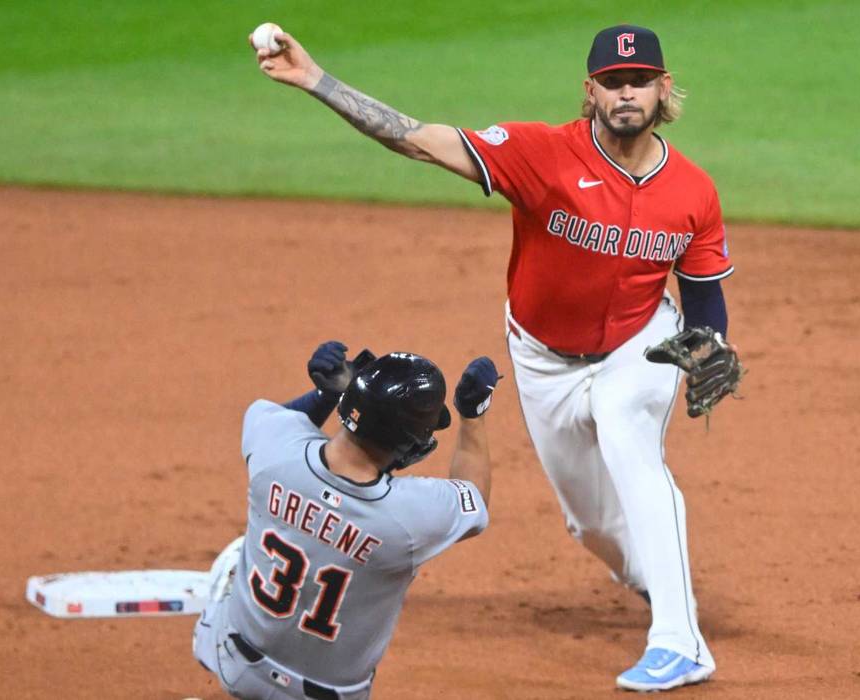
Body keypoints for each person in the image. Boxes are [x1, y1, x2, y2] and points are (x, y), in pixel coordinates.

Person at [253, 23, 736, 692]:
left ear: (662, 89)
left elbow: (704, 292)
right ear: (589, 91)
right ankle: (651, 578)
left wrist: (710, 343)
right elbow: (416, 139)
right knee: (589, 523)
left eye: (640, 80)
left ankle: (680, 643)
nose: (627, 92)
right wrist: (315, 80)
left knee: (632, 445)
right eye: (613, 81)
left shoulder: (692, 190)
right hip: (542, 359)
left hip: (637, 345)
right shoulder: (540, 153)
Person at [193, 341, 500, 699]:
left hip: (239, 668)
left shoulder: (275, 451)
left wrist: (325, 394)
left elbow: (279, 419)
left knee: (237, 555)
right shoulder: (410, 517)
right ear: (408, 442)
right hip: (332, 694)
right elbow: (473, 493)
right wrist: (472, 415)